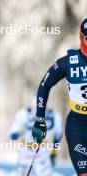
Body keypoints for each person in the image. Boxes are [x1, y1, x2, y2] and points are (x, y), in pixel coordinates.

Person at [32, 18, 87, 175]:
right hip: (78, 125)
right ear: (81, 38)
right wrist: (40, 119)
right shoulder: (68, 62)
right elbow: (45, 84)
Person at [10, 96, 63, 176]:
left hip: (42, 151)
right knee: (21, 173)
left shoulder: (54, 116)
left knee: (45, 173)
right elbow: (13, 133)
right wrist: (17, 133)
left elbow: (58, 135)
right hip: (26, 150)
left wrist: (54, 152)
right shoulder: (24, 114)